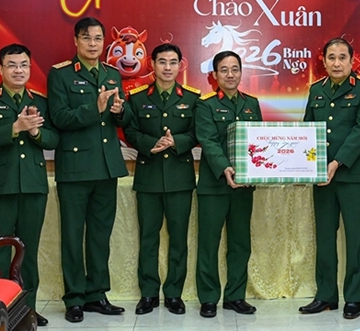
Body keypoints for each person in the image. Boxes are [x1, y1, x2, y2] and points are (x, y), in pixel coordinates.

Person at [47, 17, 132, 323]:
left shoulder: (111, 73)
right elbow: (59, 117)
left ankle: (96, 294)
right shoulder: (61, 74)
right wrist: (93, 108)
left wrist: (120, 111)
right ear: (76, 41)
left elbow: (123, 119)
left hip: (106, 167)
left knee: (100, 236)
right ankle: (74, 298)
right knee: (72, 236)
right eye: (87, 38)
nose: (93, 44)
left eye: (98, 38)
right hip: (75, 168)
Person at [0, 44, 59, 327]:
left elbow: (54, 139)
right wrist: (14, 128)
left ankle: (28, 308)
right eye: (12, 65)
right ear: (0, 69)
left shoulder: (40, 101)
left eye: (23, 65)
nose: (18, 70)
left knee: (28, 251)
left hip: (33, 186)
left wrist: (35, 131)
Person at [299, 38, 360, 320]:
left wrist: (336, 162)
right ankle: (326, 295)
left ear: (352, 61)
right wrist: (305, 165)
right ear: (324, 61)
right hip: (322, 177)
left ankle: (353, 297)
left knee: (355, 238)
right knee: (324, 237)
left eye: (342, 57)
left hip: (352, 175)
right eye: (331, 57)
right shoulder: (316, 89)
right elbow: (308, 129)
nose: (336, 63)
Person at [125, 43, 200, 316]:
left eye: (172, 62)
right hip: (149, 177)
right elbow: (130, 130)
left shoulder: (193, 98)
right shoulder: (137, 98)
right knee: (148, 237)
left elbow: (198, 132)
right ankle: (148, 293)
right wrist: (151, 144)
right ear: (152, 65)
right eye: (162, 62)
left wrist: (176, 141)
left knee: (178, 239)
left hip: (180, 178)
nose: (168, 67)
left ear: (181, 65)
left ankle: (174, 294)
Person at [194, 51, 261, 318]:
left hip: (243, 186)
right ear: (214, 75)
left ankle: (235, 296)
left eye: (235, 69)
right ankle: (209, 298)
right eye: (224, 70)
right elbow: (208, 141)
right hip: (214, 185)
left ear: (241, 72)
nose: (230, 74)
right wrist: (224, 167)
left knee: (240, 243)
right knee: (209, 244)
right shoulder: (205, 105)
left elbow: (259, 141)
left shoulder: (251, 104)